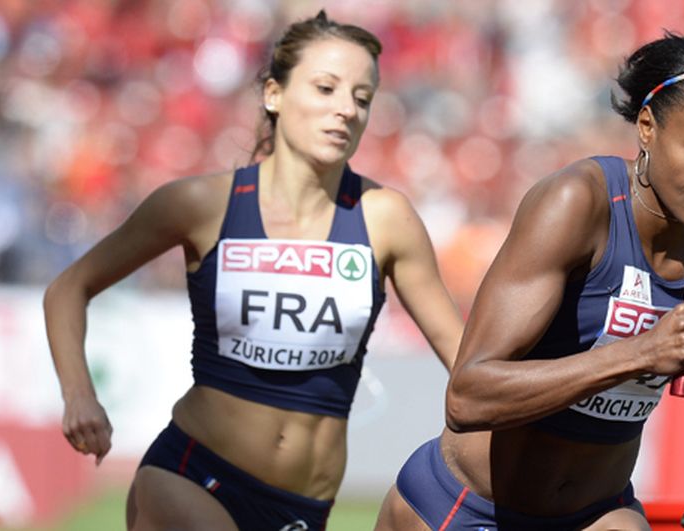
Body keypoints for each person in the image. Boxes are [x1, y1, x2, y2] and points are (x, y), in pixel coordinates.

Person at [44, 11, 463, 531]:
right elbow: (69, 287)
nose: (345, 110)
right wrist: (79, 395)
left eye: (361, 97)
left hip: (303, 509)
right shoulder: (201, 204)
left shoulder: (386, 218)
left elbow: (466, 365)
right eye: (326, 88)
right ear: (274, 94)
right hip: (190, 475)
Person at [376, 32, 684, 531]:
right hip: (465, 506)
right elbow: (468, 397)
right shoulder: (579, 203)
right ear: (646, 127)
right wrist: (641, 353)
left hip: (596, 513)